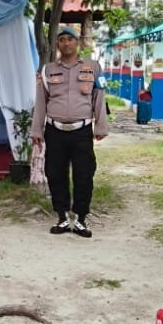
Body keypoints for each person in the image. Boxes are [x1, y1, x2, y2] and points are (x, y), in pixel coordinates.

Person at [32, 25, 109, 236]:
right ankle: (62, 217)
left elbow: (99, 98)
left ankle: (81, 218)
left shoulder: (93, 67)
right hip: (54, 130)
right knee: (55, 173)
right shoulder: (47, 70)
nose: (66, 43)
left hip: (81, 131)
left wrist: (101, 125)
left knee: (84, 174)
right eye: (62, 40)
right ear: (57, 44)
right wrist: (36, 130)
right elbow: (41, 101)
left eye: (70, 39)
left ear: (77, 42)